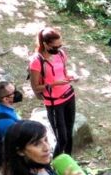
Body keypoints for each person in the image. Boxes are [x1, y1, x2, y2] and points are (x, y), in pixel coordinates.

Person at [28, 27, 77, 156]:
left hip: (69, 96)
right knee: (62, 139)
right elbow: (35, 87)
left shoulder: (60, 54)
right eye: (55, 47)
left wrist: (71, 77)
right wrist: (54, 84)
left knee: (69, 134)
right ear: (45, 44)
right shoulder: (36, 61)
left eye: (60, 45)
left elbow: (63, 73)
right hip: (54, 103)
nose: (58, 49)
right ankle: (54, 163)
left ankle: (68, 161)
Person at [0, 80, 22, 144]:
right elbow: (17, 142)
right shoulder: (6, 121)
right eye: (14, 92)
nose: (17, 93)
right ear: (5, 99)